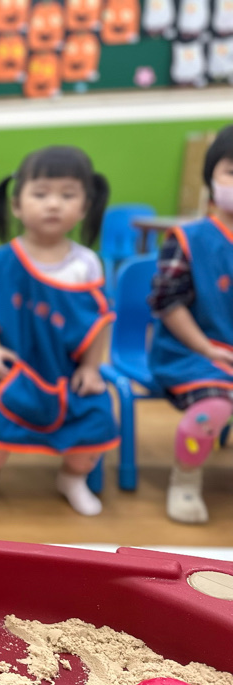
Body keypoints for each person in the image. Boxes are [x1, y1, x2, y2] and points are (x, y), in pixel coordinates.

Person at [0, 146, 119, 516]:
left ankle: (72, 479)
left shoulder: (87, 264)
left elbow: (99, 322)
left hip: (66, 372)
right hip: (11, 368)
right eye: (41, 193)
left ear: (85, 206)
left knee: (97, 418)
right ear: (17, 204)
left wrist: (91, 368)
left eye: (68, 195)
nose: (54, 204)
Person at [148, 125, 233, 524]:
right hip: (190, 353)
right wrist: (206, 348)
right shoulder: (188, 238)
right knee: (212, 407)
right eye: (231, 171)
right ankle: (185, 480)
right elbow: (168, 303)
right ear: (211, 180)